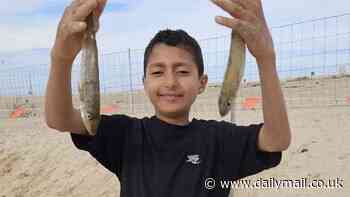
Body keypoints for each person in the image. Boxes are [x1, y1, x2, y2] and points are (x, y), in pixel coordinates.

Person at [45, 0, 291, 196]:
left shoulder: (219, 140)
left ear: (202, 83)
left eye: (183, 71)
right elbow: (60, 119)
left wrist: (265, 58)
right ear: (145, 83)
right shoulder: (125, 135)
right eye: (157, 72)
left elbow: (276, 139)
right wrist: (62, 57)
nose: (170, 82)